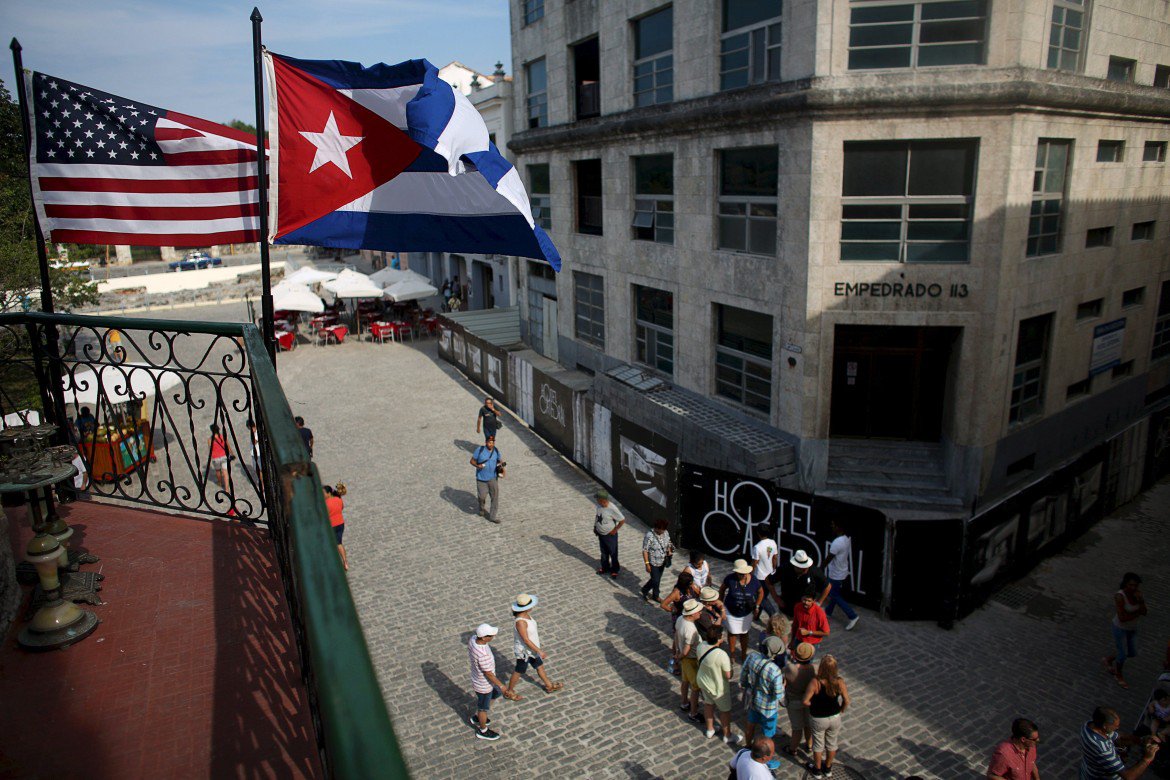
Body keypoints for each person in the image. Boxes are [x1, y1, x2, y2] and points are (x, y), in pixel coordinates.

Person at [741, 635, 786, 770]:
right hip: (768, 707)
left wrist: (746, 685)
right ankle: (766, 759)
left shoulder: (752, 657)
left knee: (750, 725)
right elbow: (778, 695)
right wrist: (783, 685)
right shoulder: (775, 670)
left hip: (753, 700)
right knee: (768, 734)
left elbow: (743, 674)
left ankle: (747, 747)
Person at [504, 594, 563, 698]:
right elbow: (526, 640)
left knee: (539, 666)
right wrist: (539, 650)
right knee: (519, 671)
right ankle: (509, 691)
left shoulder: (526, 616)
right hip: (524, 652)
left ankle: (549, 685)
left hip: (532, 650)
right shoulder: (521, 622)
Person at [467, 623, 518, 741]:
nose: (493, 637)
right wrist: (502, 686)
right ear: (484, 638)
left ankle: (479, 718)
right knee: (483, 708)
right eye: (490, 635)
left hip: (478, 678)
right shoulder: (483, 655)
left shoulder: (473, 639)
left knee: (495, 693)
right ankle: (483, 730)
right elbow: (488, 674)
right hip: (484, 685)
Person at [1079, 705, 1160, 779]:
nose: (1117, 728)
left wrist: (1141, 740)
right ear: (1104, 726)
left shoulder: (1090, 725)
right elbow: (1128, 776)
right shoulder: (1103, 749)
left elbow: (1119, 736)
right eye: (1115, 726)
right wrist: (1147, 759)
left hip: (1088, 770)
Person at [802, 654, 849, 778]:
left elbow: (805, 701)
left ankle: (817, 770)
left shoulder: (815, 682)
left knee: (818, 745)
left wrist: (814, 704)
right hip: (834, 717)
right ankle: (828, 768)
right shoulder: (839, 681)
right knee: (832, 744)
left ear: (821, 667)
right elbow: (846, 700)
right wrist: (841, 709)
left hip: (818, 718)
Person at [695, 625, 739, 744]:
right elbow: (728, 675)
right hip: (717, 687)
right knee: (724, 711)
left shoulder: (701, 646)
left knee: (708, 704)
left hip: (704, 682)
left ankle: (710, 729)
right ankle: (727, 735)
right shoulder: (721, 654)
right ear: (719, 638)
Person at [1103, 572, 1147, 688]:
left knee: (1131, 652)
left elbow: (1144, 611)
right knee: (1122, 655)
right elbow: (1122, 618)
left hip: (1132, 628)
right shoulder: (1120, 596)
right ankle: (1118, 675)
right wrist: (1137, 613)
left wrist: (1141, 601)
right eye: (1130, 585)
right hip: (1120, 628)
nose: (1133, 588)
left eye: (1135, 585)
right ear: (1125, 584)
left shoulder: (1138, 595)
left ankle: (1108, 660)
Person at [719, 558, 765, 664]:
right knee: (732, 633)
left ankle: (744, 654)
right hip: (731, 611)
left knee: (744, 633)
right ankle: (732, 654)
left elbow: (761, 592)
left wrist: (757, 606)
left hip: (746, 613)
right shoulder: (730, 579)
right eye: (740, 573)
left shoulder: (754, 581)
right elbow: (722, 589)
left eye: (744, 573)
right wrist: (721, 606)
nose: (743, 575)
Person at [782, 642, 817, 758]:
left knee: (797, 728)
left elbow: (784, 681)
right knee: (808, 724)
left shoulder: (790, 669)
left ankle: (793, 749)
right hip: (809, 701)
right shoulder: (813, 669)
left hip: (794, 701)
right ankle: (809, 745)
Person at [825, 519, 860, 631]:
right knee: (834, 593)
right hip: (841, 571)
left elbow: (829, 557)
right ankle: (828, 612)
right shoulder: (846, 539)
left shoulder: (837, 543)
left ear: (838, 527)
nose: (832, 527)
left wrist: (820, 568)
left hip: (836, 574)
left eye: (834, 525)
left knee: (834, 594)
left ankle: (852, 615)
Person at [673, 598, 704, 721]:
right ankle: (693, 713)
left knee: (685, 681)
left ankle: (684, 702)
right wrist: (679, 656)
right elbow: (687, 650)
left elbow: (676, 635)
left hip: (684, 658)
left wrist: (677, 652)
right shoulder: (691, 629)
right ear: (692, 614)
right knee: (695, 687)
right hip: (691, 659)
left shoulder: (680, 619)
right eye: (698, 611)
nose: (700, 612)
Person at [776, 549, 831, 618]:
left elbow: (828, 586)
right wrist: (776, 598)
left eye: (806, 567)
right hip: (787, 611)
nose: (805, 569)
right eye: (802, 567)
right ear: (795, 566)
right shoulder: (785, 568)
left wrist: (818, 603)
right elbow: (768, 580)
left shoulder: (814, 571)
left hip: (806, 614)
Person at [470, 435, 503, 523]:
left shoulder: (496, 450)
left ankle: (493, 517)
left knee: (495, 498)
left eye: (492, 442)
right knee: (482, 497)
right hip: (481, 479)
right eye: (489, 442)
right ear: (486, 442)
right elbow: (472, 461)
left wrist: (501, 467)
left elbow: (499, 461)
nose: (491, 444)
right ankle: (481, 508)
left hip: (493, 478)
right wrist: (477, 465)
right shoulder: (479, 450)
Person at [593, 490, 625, 578]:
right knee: (603, 552)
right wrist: (595, 527)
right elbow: (597, 517)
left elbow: (622, 520)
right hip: (601, 534)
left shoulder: (612, 509)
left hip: (610, 536)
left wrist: (615, 530)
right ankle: (605, 568)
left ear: (602, 500)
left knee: (613, 553)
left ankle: (615, 570)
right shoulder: (599, 506)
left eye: (597, 499)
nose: (596, 500)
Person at [641, 518, 674, 603]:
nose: (663, 531)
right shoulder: (649, 536)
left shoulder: (665, 533)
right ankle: (650, 592)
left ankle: (652, 593)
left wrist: (669, 550)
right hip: (653, 562)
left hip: (662, 561)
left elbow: (668, 542)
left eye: (664, 529)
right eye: (662, 529)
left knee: (657, 579)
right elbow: (645, 550)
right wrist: (647, 564)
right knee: (655, 580)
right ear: (657, 528)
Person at [751, 534, 780, 619]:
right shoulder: (773, 542)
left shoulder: (757, 547)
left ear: (758, 534)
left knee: (761, 597)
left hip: (760, 577)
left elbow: (755, 562)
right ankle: (756, 615)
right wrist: (774, 569)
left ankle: (773, 615)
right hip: (769, 575)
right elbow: (775, 558)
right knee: (763, 596)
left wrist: (750, 574)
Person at [323, 483, 348, 570]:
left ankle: (341, 562)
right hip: (341, 524)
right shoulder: (338, 499)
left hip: (332, 526)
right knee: (338, 542)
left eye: (323, 493)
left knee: (336, 544)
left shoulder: (325, 504)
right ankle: (344, 561)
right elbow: (341, 508)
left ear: (329, 493)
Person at [208, 423, 231, 490]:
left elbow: (210, 450)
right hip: (224, 456)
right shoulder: (222, 437)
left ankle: (220, 482)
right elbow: (227, 446)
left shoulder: (210, 440)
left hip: (216, 457)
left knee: (218, 470)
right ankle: (227, 488)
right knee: (225, 473)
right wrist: (231, 453)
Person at [246, 417, 262, 490]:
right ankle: (261, 482)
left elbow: (254, 442)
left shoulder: (257, 432)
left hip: (258, 454)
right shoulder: (254, 432)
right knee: (257, 470)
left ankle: (262, 484)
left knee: (259, 470)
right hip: (254, 454)